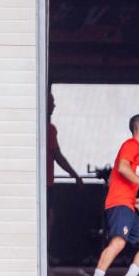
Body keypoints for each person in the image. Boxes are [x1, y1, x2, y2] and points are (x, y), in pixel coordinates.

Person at [84, 115, 139, 276]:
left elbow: (112, 180)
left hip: (127, 206)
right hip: (119, 205)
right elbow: (122, 169)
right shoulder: (131, 145)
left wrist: (132, 200)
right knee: (118, 242)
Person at [47, 93, 83, 242]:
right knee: (48, 217)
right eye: (52, 102)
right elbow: (58, 156)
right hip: (45, 184)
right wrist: (75, 175)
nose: (54, 106)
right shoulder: (48, 129)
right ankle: (44, 254)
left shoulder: (49, 129)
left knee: (48, 217)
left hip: (46, 183)